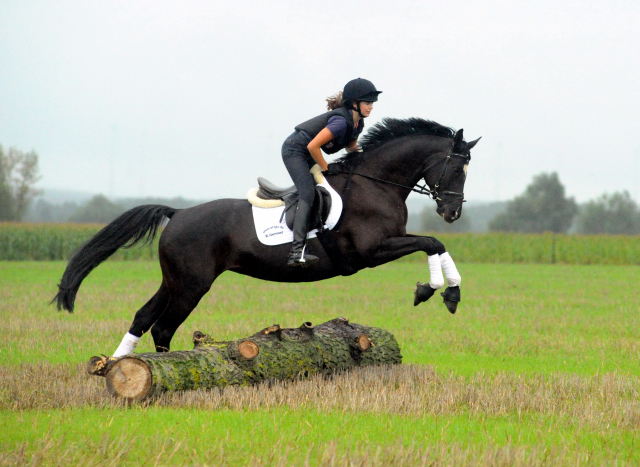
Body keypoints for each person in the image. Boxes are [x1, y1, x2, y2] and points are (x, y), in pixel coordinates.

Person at [282, 78, 382, 267]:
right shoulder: (340, 123)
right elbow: (313, 146)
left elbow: (352, 149)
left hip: (308, 153)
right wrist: (327, 167)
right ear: (354, 103)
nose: (371, 107)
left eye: (372, 103)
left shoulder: (358, 124)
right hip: (295, 151)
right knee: (308, 193)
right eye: (367, 103)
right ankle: (296, 251)